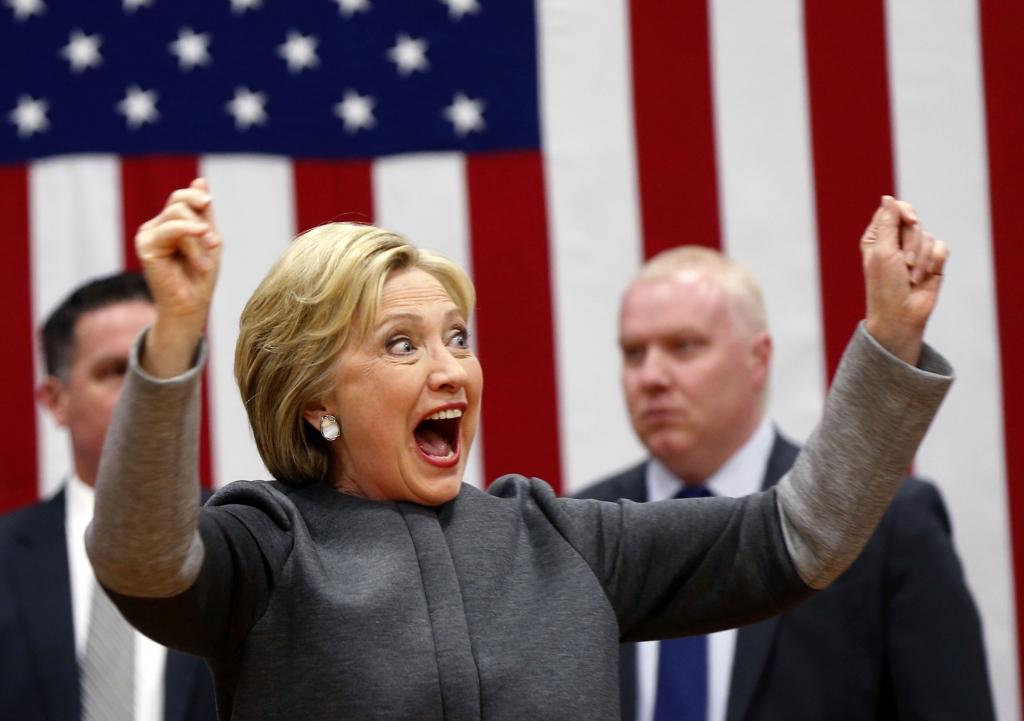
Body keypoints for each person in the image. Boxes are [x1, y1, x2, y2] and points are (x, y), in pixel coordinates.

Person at [86, 179, 952, 721]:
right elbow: (141, 556)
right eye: (401, 344)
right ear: (317, 401)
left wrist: (889, 341)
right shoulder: (265, 547)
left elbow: (801, 535)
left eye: (457, 336)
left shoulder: (561, 538)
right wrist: (173, 337)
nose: (449, 368)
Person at [577, 247, 995, 721]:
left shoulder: (885, 523)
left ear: (759, 359)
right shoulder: (580, 531)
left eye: (683, 346)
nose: (650, 376)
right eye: (633, 352)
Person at [0, 273, 217, 721]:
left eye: (161, 367)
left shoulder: (253, 544)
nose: (148, 389)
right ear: (56, 401)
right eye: (118, 370)